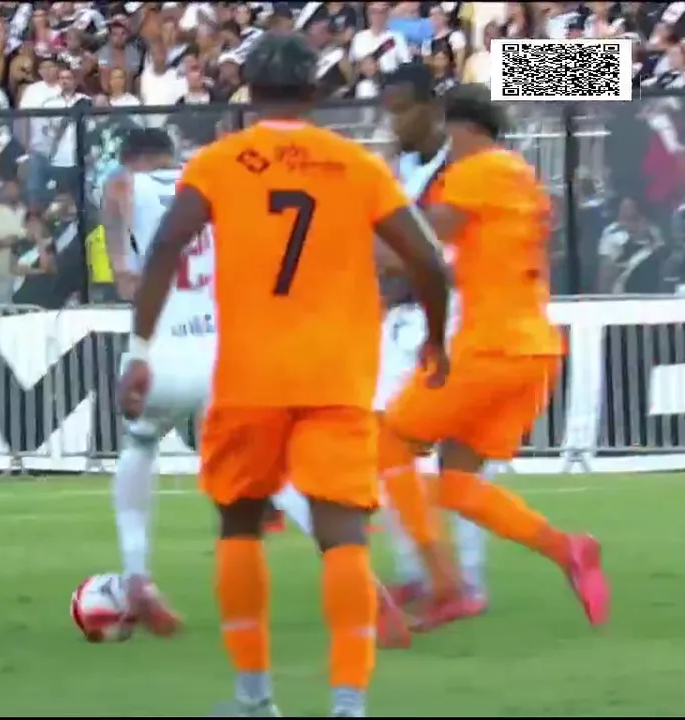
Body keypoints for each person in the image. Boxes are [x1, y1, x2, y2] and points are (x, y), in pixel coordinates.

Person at [118, 32, 452, 718]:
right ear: (315, 91)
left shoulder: (218, 162)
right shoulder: (354, 164)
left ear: (248, 87)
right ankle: (348, 706)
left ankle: (254, 699)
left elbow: (165, 246)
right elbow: (427, 260)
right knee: (343, 538)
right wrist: (437, 341)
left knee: (240, 526)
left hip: (248, 376)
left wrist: (138, 348)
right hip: (335, 377)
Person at [378, 83, 610, 632]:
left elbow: (421, 246)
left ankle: (443, 585)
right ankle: (566, 548)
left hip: (491, 345)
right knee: (457, 483)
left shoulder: (476, 171)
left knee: (388, 442)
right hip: (533, 349)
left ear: (461, 126)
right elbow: (468, 258)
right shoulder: (520, 176)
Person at [277, 62, 496, 618]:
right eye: (388, 111)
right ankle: (425, 575)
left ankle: (463, 579)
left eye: (401, 110)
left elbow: (428, 252)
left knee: (450, 453)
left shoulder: (464, 167)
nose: (393, 122)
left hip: (457, 316)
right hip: (407, 321)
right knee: (388, 446)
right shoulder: (402, 169)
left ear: (432, 108)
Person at [99, 127, 214, 637]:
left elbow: (115, 196)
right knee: (275, 470)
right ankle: (356, 575)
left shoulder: (128, 183)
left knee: (140, 443)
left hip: (164, 349)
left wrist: (121, 261)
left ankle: (136, 573)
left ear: (132, 158)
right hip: (221, 350)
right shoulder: (208, 182)